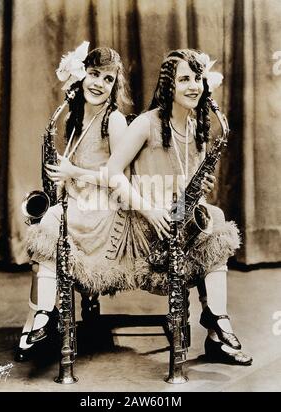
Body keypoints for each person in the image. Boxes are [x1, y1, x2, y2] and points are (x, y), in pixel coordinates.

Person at [103, 49, 253, 365]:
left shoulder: (199, 129)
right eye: (184, 78)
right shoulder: (146, 123)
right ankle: (217, 328)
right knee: (217, 221)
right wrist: (149, 210)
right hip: (145, 227)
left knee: (214, 217)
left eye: (197, 78)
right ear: (169, 84)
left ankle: (217, 324)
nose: (193, 86)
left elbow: (186, 194)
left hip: (176, 224)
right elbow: (113, 173)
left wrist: (199, 191)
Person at [15, 44, 134, 361]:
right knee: (44, 237)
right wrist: (63, 179)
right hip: (80, 207)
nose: (99, 84)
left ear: (114, 86)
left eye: (108, 79)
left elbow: (118, 178)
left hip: (107, 215)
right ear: (82, 76)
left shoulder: (116, 121)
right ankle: (39, 319)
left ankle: (42, 317)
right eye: (94, 74)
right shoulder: (75, 119)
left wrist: (72, 171)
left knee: (51, 222)